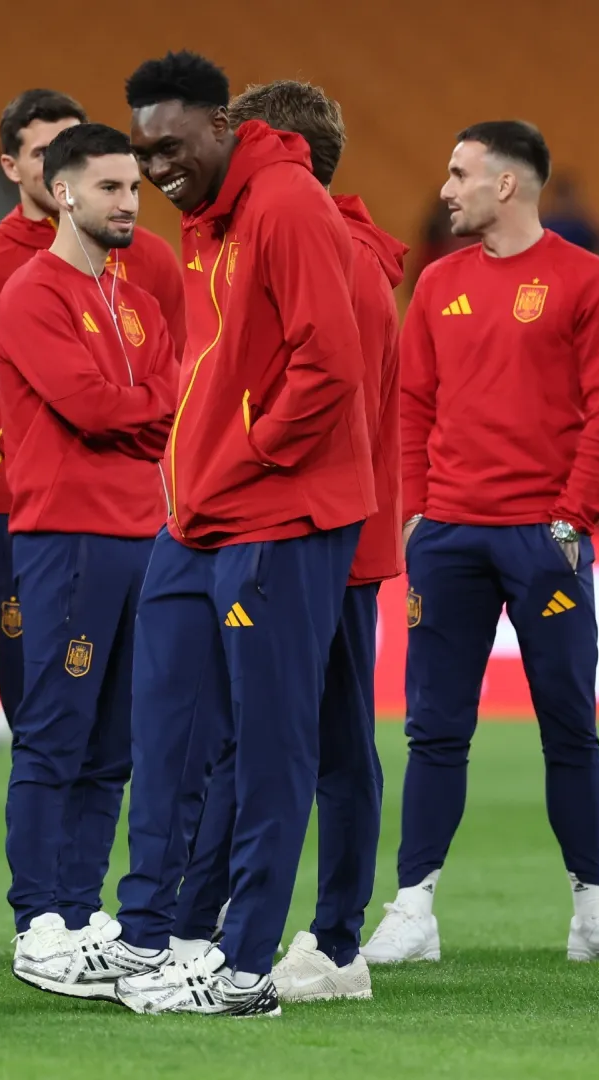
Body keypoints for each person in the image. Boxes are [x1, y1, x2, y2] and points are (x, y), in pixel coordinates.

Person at [364, 121, 599, 966]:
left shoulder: (590, 283)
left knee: (570, 726)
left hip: (544, 537)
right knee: (434, 728)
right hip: (451, 539)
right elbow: (412, 404)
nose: (445, 189)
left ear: (506, 185)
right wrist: (419, 512)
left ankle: (594, 911)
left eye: (459, 173)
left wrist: (574, 517)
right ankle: (413, 909)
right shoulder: (436, 284)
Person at [108, 50, 372, 1017]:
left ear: (221, 125)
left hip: (277, 515)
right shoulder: (211, 217)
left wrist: (244, 456)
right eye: (142, 152)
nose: (155, 168)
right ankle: (179, 938)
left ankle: (247, 965)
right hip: (199, 519)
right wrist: (198, 473)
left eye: (170, 146)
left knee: (269, 748)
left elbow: (329, 364)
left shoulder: (287, 204)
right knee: (172, 729)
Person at [165, 80, 407, 1003]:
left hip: (306, 523)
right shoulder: (350, 248)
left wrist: (249, 458)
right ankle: (319, 935)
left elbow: (323, 387)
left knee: (280, 741)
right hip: (348, 526)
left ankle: (272, 937)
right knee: (326, 739)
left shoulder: (306, 241)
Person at [0, 88, 185, 752]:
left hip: (134, 506)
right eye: (44, 153)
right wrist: (30, 441)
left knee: (120, 717)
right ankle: (42, 843)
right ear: (13, 166)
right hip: (25, 505)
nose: (60, 166)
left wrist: (125, 427)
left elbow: (175, 379)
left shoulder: (150, 262)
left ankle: (73, 846)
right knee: (37, 700)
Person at [0, 123, 175, 998]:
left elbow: (172, 401)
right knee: (56, 730)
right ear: (62, 192)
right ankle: (37, 920)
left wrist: (138, 408)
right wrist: (142, 409)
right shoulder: (32, 293)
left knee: (116, 744)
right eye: (109, 188)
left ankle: (80, 904)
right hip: (66, 536)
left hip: (144, 533)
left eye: (134, 189)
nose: (128, 204)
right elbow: (95, 408)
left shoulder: (134, 299)